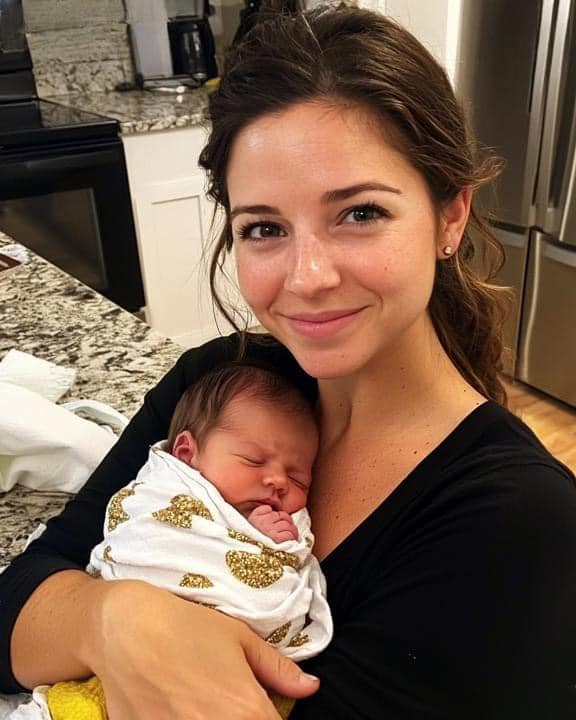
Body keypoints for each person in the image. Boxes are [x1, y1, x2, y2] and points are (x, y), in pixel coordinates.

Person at [1, 5, 575, 719]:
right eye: (265, 227)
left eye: (360, 213)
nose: (306, 277)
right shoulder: (222, 385)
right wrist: (114, 619)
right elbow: (18, 607)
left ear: (449, 216)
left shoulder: (517, 522)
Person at [13, 363, 331, 720]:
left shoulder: (284, 519)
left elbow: (285, 567)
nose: (278, 482)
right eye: (253, 460)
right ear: (186, 453)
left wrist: (270, 540)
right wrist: (115, 616)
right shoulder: (169, 490)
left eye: (298, 479)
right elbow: (28, 589)